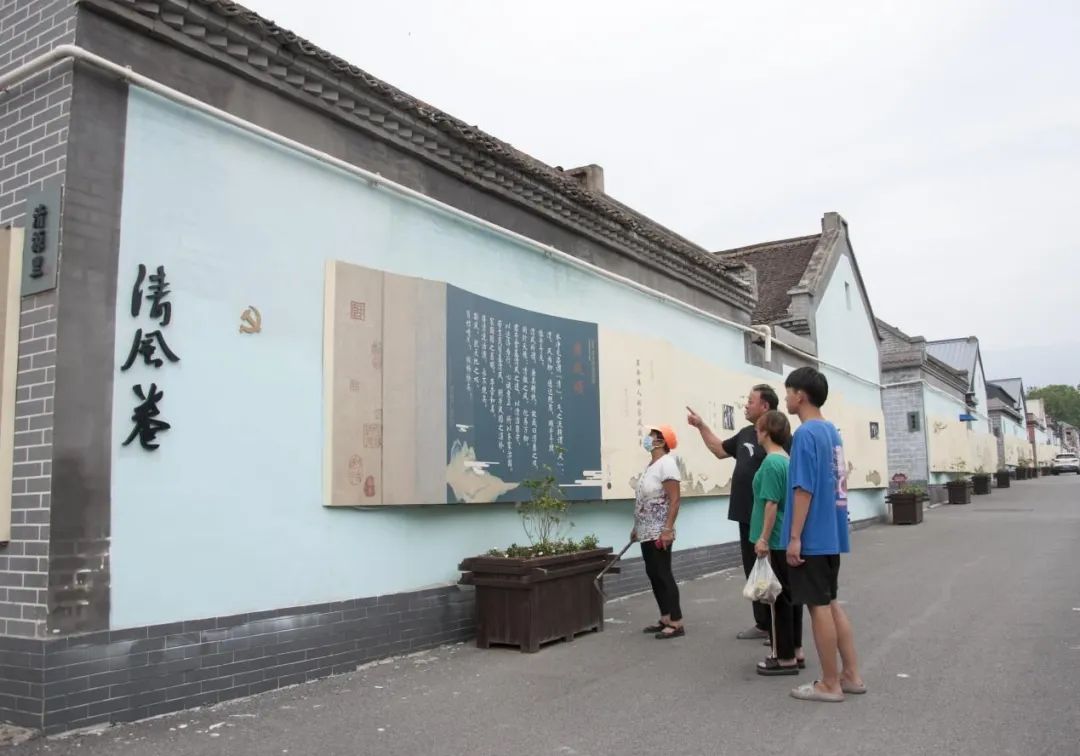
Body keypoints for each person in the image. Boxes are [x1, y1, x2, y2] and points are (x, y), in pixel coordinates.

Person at [780, 367, 866, 702]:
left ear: (800, 395)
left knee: (818, 608)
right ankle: (851, 675)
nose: (786, 398)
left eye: (788, 392)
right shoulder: (832, 432)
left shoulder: (805, 434)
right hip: (832, 532)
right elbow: (839, 484)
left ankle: (830, 684)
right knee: (830, 603)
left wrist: (795, 537)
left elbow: (803, 488)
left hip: (812, 537)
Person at [687, 384, 780, 640]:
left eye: (750, 401)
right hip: (745, 514)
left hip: (767, 517)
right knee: (754, 570)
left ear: (765, 406)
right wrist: (701, 426)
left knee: (773, 571)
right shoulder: (746, 433)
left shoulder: (779, 436)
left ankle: (779, 630)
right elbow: (719, 450)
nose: (745, 405)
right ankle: (763, 624)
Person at [748, 410, 804, 676]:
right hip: (784, 535)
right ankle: (795, 650)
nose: (755, 431)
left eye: (758, 428)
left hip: (774, 538)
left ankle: (783, 657)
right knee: (790, 597)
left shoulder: (771, 463)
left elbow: (771, 503)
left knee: (776, 597)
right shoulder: (786, 459)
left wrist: (763, 538)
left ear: (767, 432)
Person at [631, 424, 684, 639]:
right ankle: (665, 617)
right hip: (646, 530)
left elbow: (675, 499)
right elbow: (643, 500)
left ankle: (676, 622)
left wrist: (667, 529)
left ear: (661, 442)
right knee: (653, 574)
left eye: (651, 435)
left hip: (660, 531)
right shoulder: (651, 466)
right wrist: (636, 527)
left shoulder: (667, 464)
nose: (647, 438)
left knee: (663, 574)